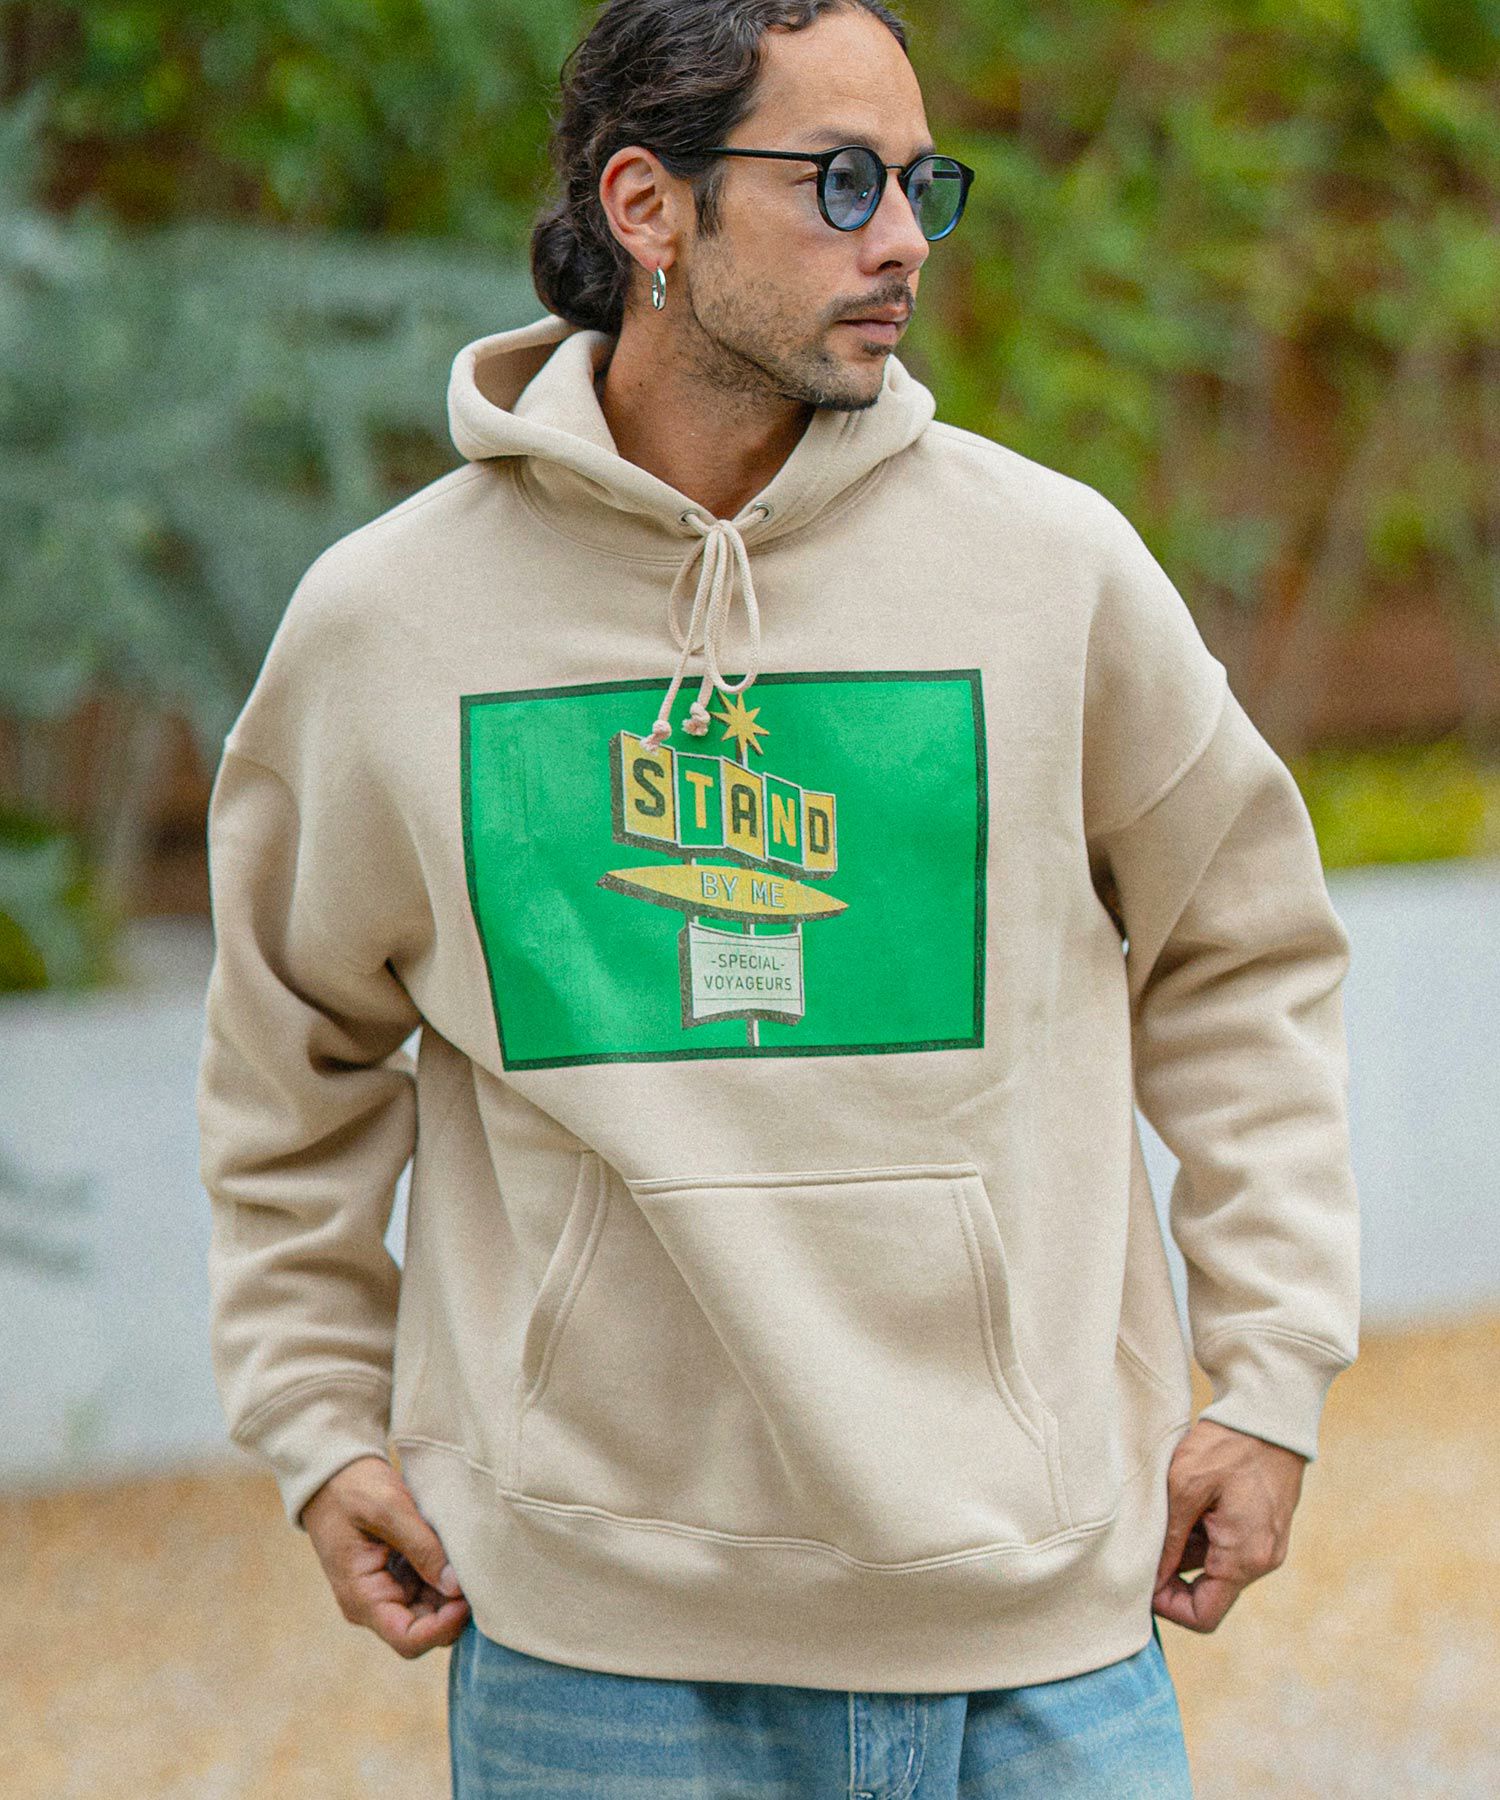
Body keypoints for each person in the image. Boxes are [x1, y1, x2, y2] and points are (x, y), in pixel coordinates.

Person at [195, 0, 1361, 1793]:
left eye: (918, 184)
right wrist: (316, 1421)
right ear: (646, 206)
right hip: (598, 1659)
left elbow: (1244, 958)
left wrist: (1271, 1376)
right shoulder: (391, 625)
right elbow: (294, 1056)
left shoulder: (1050, 572)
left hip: (1041, 1628)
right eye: (837, 182)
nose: (903, 239)